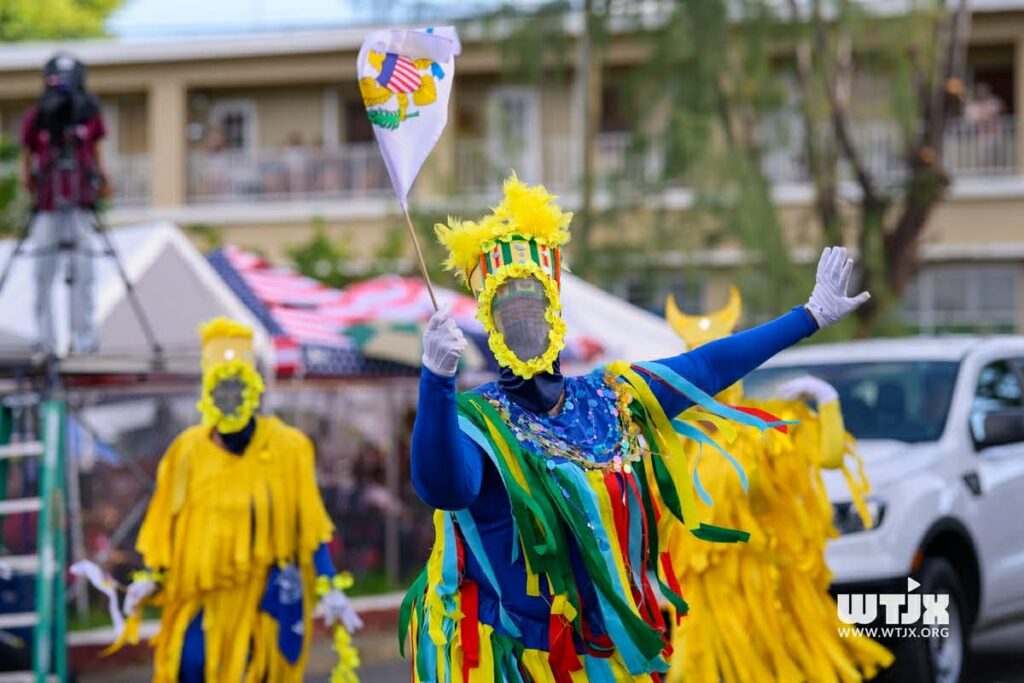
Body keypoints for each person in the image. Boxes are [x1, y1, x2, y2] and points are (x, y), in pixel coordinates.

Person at [402, 174, 872, 681]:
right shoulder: (479, 421)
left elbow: (707, 368)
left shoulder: (610, 396)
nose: (524, 323)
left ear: (555, 312)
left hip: (611, 660)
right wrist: (437, 380)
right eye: (508, 311)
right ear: (491, 324)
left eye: (534, 306)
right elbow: (445, 487)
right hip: (520, 663)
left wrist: (809, 316)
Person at [662, 287, 893, 682]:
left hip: (762, 585)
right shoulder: (670, 441)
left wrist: (828, 402)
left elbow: (829, 457)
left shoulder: (762, 429)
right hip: (697, 588)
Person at [115, 318, 363, 682]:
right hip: (202, 597)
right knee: (190, 665)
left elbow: (309, 525)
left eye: (237, 387)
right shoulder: (185, 452)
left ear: (254, 389)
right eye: (221, 387)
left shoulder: (289, 448)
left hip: (266, 596)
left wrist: (328, 587)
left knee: (264, 671)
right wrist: (151, 576)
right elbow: (165, 525)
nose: (229, 397)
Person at [20, 52, 108, 354]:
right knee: (42, 272)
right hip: (47, 204)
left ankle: (84, 340)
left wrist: (101, 178)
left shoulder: (89, 113)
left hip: (80, 202)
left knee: (85, 271)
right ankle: (45, 341)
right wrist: (29, 179)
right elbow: (27, 153)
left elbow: (95, 150)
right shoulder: (38, 116)